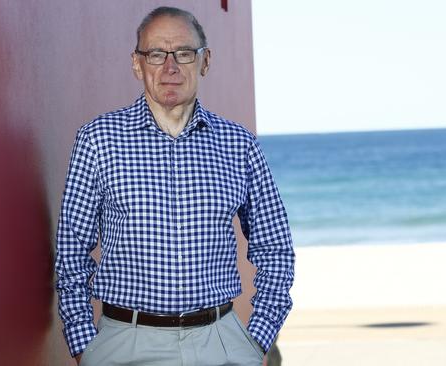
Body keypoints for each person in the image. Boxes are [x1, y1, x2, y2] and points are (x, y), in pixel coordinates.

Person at [54, 6, 295, 365]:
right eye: (155, 54)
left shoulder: (238, 144)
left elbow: (275, 248)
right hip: (125, 344)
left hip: (220, 343)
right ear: (138, 64)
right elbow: (71, 250)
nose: (170, 67)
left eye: (184, 53)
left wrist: (255, 341)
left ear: (205, 61)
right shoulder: (98, 139)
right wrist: (85, 345)